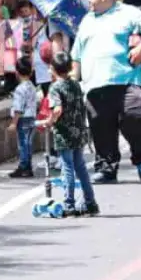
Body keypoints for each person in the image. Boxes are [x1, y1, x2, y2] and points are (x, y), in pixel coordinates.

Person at [71, 0, 141, 184]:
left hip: (128, 79)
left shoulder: (129, 13)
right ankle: (106, 168)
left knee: (134, 117)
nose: (89, 1)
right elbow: (76, 55)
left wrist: (139, 50)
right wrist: (72, 84)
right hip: (95, 83)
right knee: (101, 127)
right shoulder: (87, 21)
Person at [38, 51, 98, 217]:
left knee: (68, 168)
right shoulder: (75, 84)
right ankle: (90, 202)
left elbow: (57, 109)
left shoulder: (55, 88)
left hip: (64, 134)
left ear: (53, 69)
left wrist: (49, 121)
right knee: (80, 168)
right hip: (78, 132)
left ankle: (69, 204)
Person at [7, 57, 38, 178]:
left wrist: (14, 123)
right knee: (28, 144)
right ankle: (28, 167)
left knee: (23, 144)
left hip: (23, 120)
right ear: (30, 72)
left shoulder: (19, 89)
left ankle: (24, 167)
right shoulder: (32, 86)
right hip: (32, 118)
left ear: (17, 73)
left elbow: (18, 109)